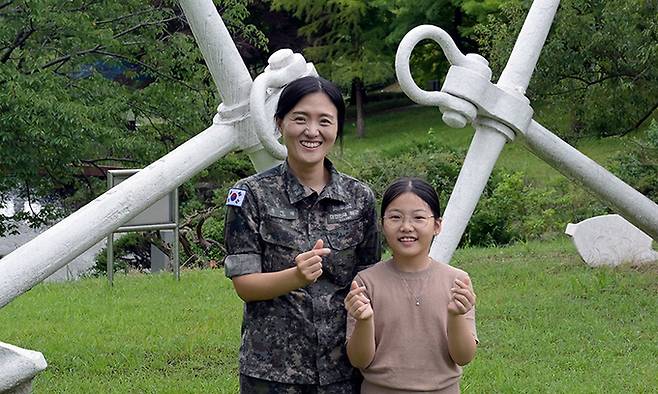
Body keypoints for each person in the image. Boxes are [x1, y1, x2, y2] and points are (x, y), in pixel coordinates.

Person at [223, 75, 381, 393]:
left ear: (337, 128)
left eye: (325, 121)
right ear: (280, 124)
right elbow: (245, 285)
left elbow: (372, 282)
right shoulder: (249, 195)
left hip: (344, 370)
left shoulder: (360, 197)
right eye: (300, 119)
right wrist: (296, 276)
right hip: (272, 374)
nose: (312, 131)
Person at [344, 177, 478, 393]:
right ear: (382, 224)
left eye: (418, 218)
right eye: (395, 217)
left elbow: (464, 357)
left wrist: (455, 316)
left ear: (437, 225)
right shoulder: (365, 283)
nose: (406, 227)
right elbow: (359, 360)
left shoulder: (457, 282)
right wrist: (364, 320)